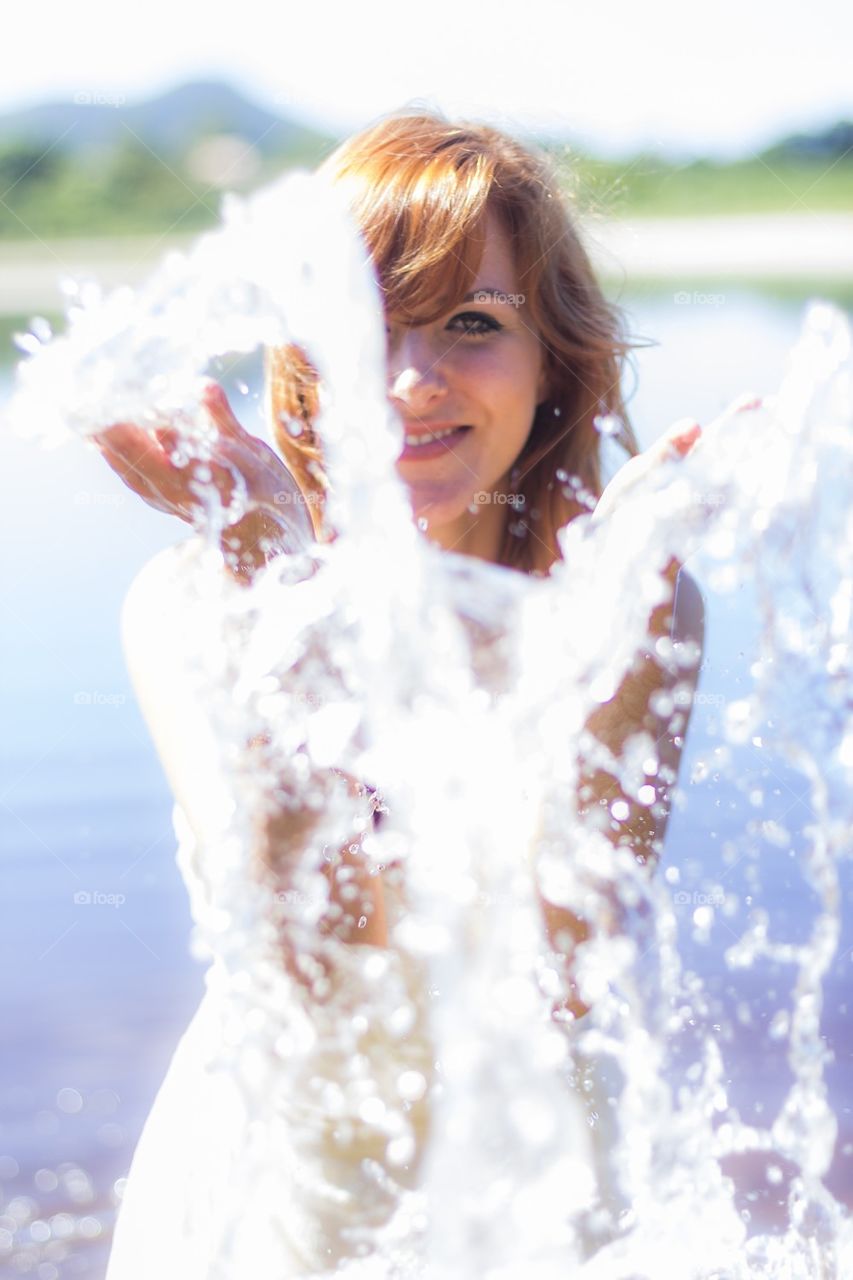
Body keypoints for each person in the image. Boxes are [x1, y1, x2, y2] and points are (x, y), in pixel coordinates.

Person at [95, 111, 704, 1277]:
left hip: (535, 1166)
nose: (411, 382)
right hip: (281, 1173)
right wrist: (272, 588)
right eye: (362, 328)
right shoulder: (190, 605)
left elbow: (558, 981)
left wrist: (615, 665)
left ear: (554, 362)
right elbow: (315, 973)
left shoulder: (635, 597)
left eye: (472, 324)